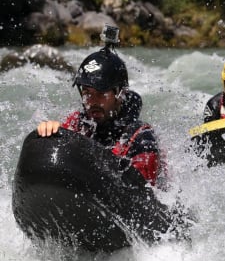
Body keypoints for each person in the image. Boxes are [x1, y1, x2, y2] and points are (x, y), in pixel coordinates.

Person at [37, 39, 164, 188]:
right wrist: (52, 134)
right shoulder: (78, 123)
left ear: (120, 94)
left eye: (101, 93)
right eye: (87, 92)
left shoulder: (141, 140)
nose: (92, 101)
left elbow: (144, 200)